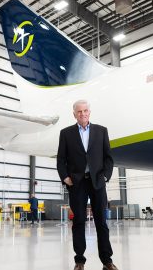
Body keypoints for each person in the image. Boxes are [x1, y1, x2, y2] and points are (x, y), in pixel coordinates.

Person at [57, 100, 118, 270]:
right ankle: (79, 261)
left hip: (97, 181)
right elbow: (61, 159)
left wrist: (106, 176)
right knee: (79, 222)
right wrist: (65, 177)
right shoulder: (66, 133)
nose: (82, 114)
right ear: (74, 114)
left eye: (85, 111)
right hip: (77, 183)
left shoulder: (101, 131)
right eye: (79, 112)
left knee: (101, 222)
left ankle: (107, 261)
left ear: (89, 112)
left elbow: (108, 157)